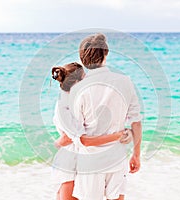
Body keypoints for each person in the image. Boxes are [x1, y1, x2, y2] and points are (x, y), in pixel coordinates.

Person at [70, 33, 142, 200]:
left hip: (90, 161)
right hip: (117, 157)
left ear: (83, 58)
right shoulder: (125, 81)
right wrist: (136, 155)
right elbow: (136, 122)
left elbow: (80, 138)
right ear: (106, 53)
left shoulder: (78, 88)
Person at [51, 62, 133, 200]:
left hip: (72, 155)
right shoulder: (70, 104)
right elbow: (72, 139)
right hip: (72, 157)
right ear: (78, 81)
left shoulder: (69, 100)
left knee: (63, 194)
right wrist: (118, 135)